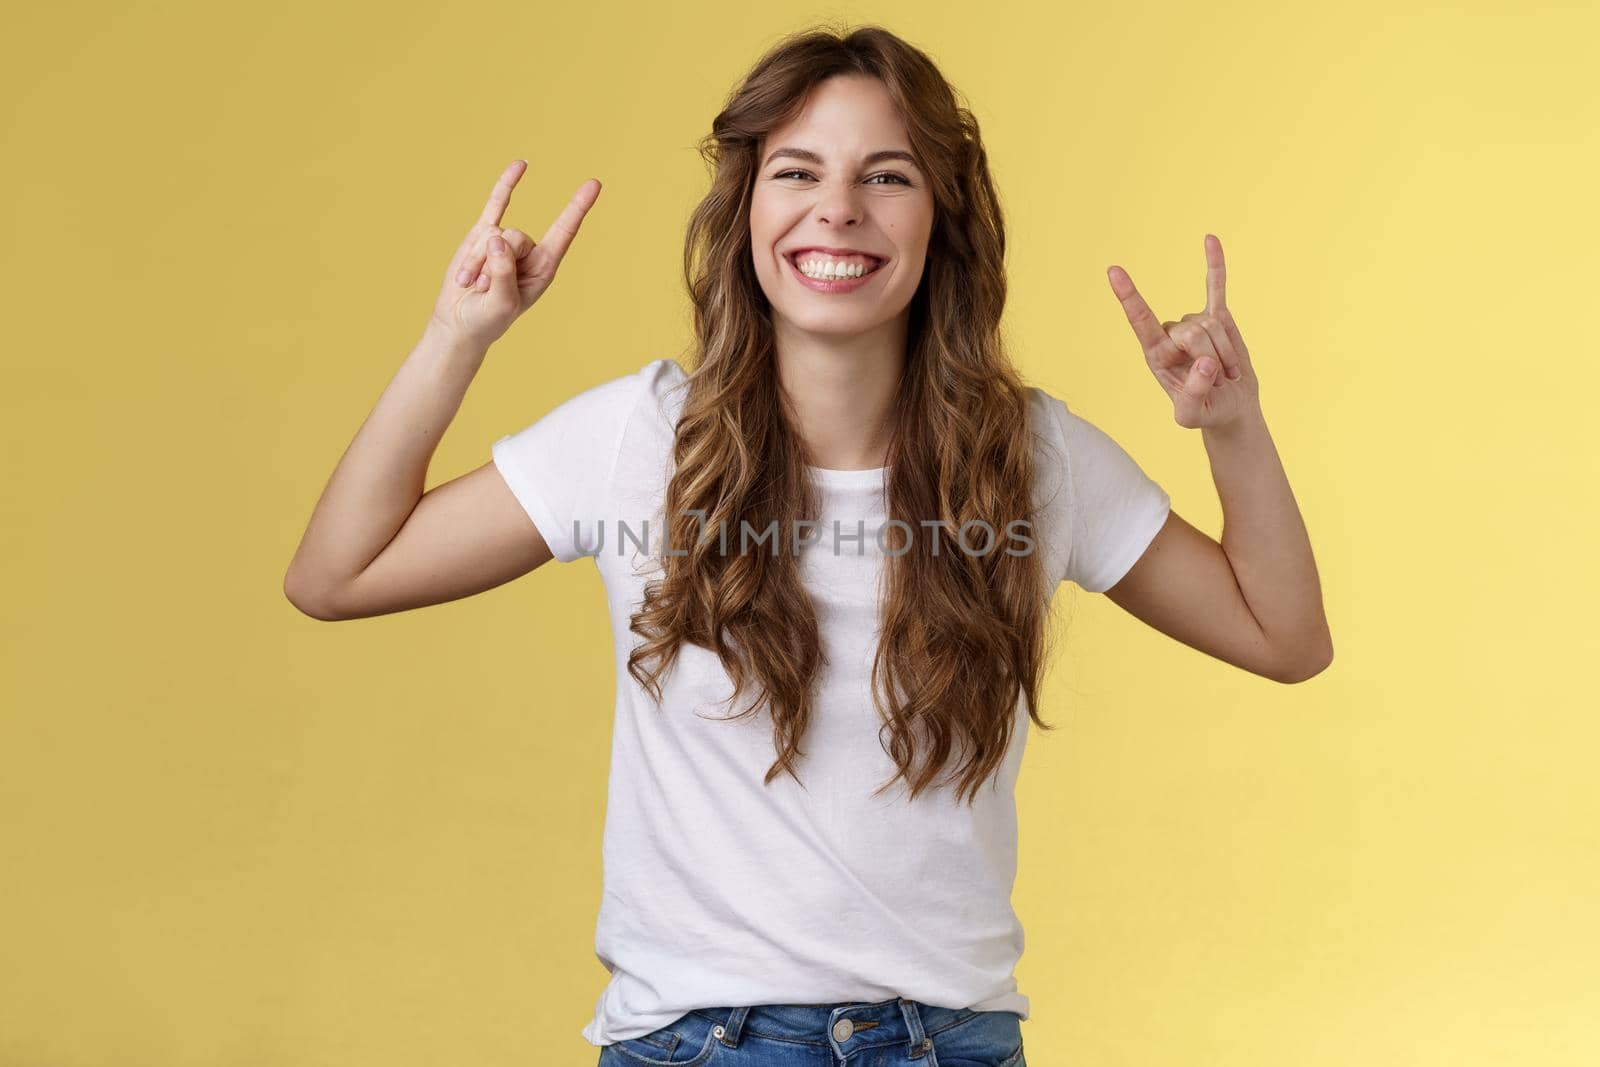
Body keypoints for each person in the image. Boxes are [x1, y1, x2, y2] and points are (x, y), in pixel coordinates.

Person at [283, 22, 1332, 1067]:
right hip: (700, 1039)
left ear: (942, 221)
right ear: (747, 210)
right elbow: (337, 573)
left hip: (952, 1041)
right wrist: (455, 336)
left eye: (886, 175)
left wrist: (1231, 425)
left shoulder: (1029, 457)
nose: (838, 208)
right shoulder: (637, 439)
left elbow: (1282, 635)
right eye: (796, 171)